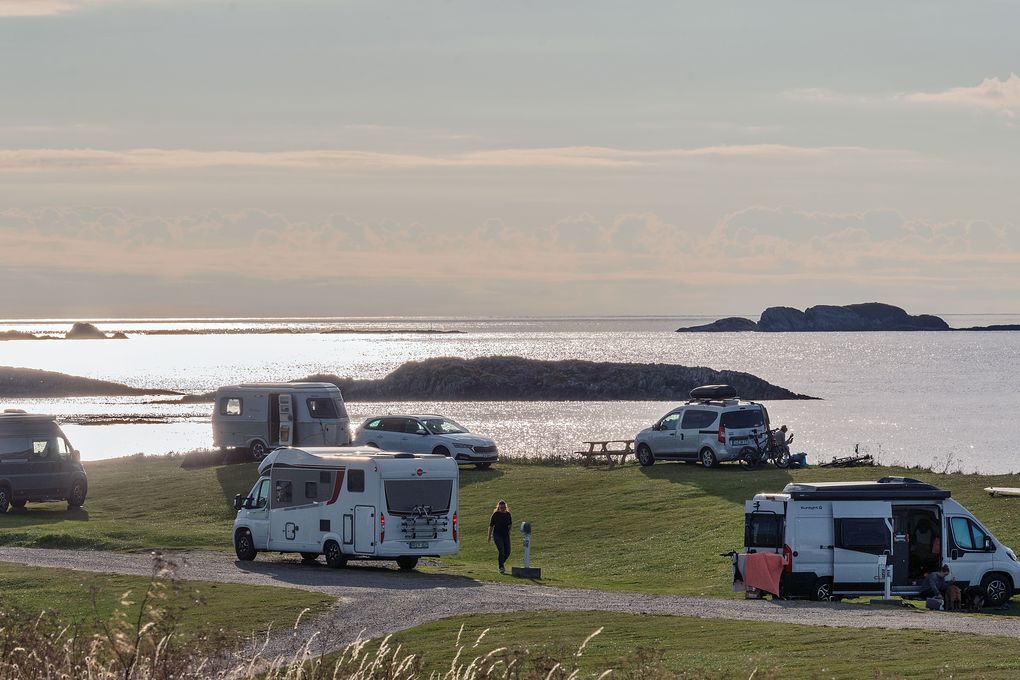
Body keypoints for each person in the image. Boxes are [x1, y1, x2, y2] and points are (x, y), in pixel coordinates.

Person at [487, 499, 512, 574]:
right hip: (497, 535)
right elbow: (491, 526)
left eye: (504, 507)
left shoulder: (508, 514)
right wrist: (489, 536)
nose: (502, 509)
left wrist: (509, 532)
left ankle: (501, 563)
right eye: (501, 508)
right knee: (501, 550)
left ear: (506, 507)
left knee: (508, 552)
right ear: (498, 507)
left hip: (505, 535)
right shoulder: (495, 515)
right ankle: (501, 567)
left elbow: (510, 525)